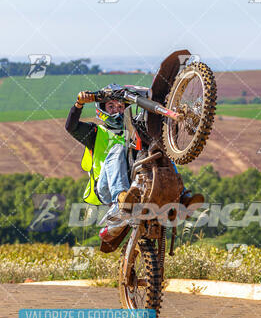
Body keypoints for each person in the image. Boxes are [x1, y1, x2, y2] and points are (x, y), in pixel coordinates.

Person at [65, 86, 203, 221]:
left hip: (133, 183)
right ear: (102, 109)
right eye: (111, 107)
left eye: (120, 107)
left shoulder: (132, 129)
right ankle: (121, 197)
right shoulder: (95, 132)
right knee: (118, 148)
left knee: (158, 148)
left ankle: (182, 196)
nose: (117, 111)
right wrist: (79, 104)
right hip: (106, 187)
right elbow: (71, 127)